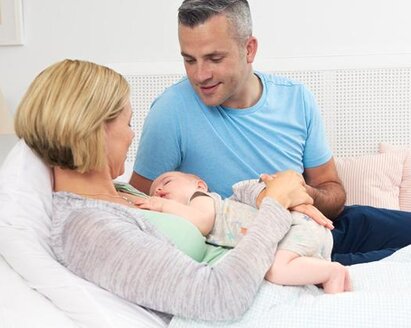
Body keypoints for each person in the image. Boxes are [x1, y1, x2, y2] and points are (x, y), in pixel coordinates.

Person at [14, 58, 318, 323]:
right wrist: (276, 204)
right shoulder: (88, 228)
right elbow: (220, 296)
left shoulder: (117, 195)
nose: (133, 135)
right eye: (128, 122)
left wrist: (275, 197)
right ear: (95, 130)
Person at [130, 0, 411, 266]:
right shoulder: (170, 112)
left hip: (322, 228)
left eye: (214, 58)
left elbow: (334, 194)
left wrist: (298, 192)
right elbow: (139, 211)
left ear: (249, 49)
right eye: (189, 60)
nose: (200, 75)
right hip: (266, 252)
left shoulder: (297, 99)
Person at [137, 171, 350, 293]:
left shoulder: (200, 199)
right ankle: (330, 281)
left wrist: (162, 206)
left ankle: (333, 272)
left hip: (295, 228)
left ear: (199, 185)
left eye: (166, 182)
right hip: (297, 232)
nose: (157, 190)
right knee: (299, 273)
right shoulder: (188, 211)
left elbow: (201, 221)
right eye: (154, 190)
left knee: (275, 270)